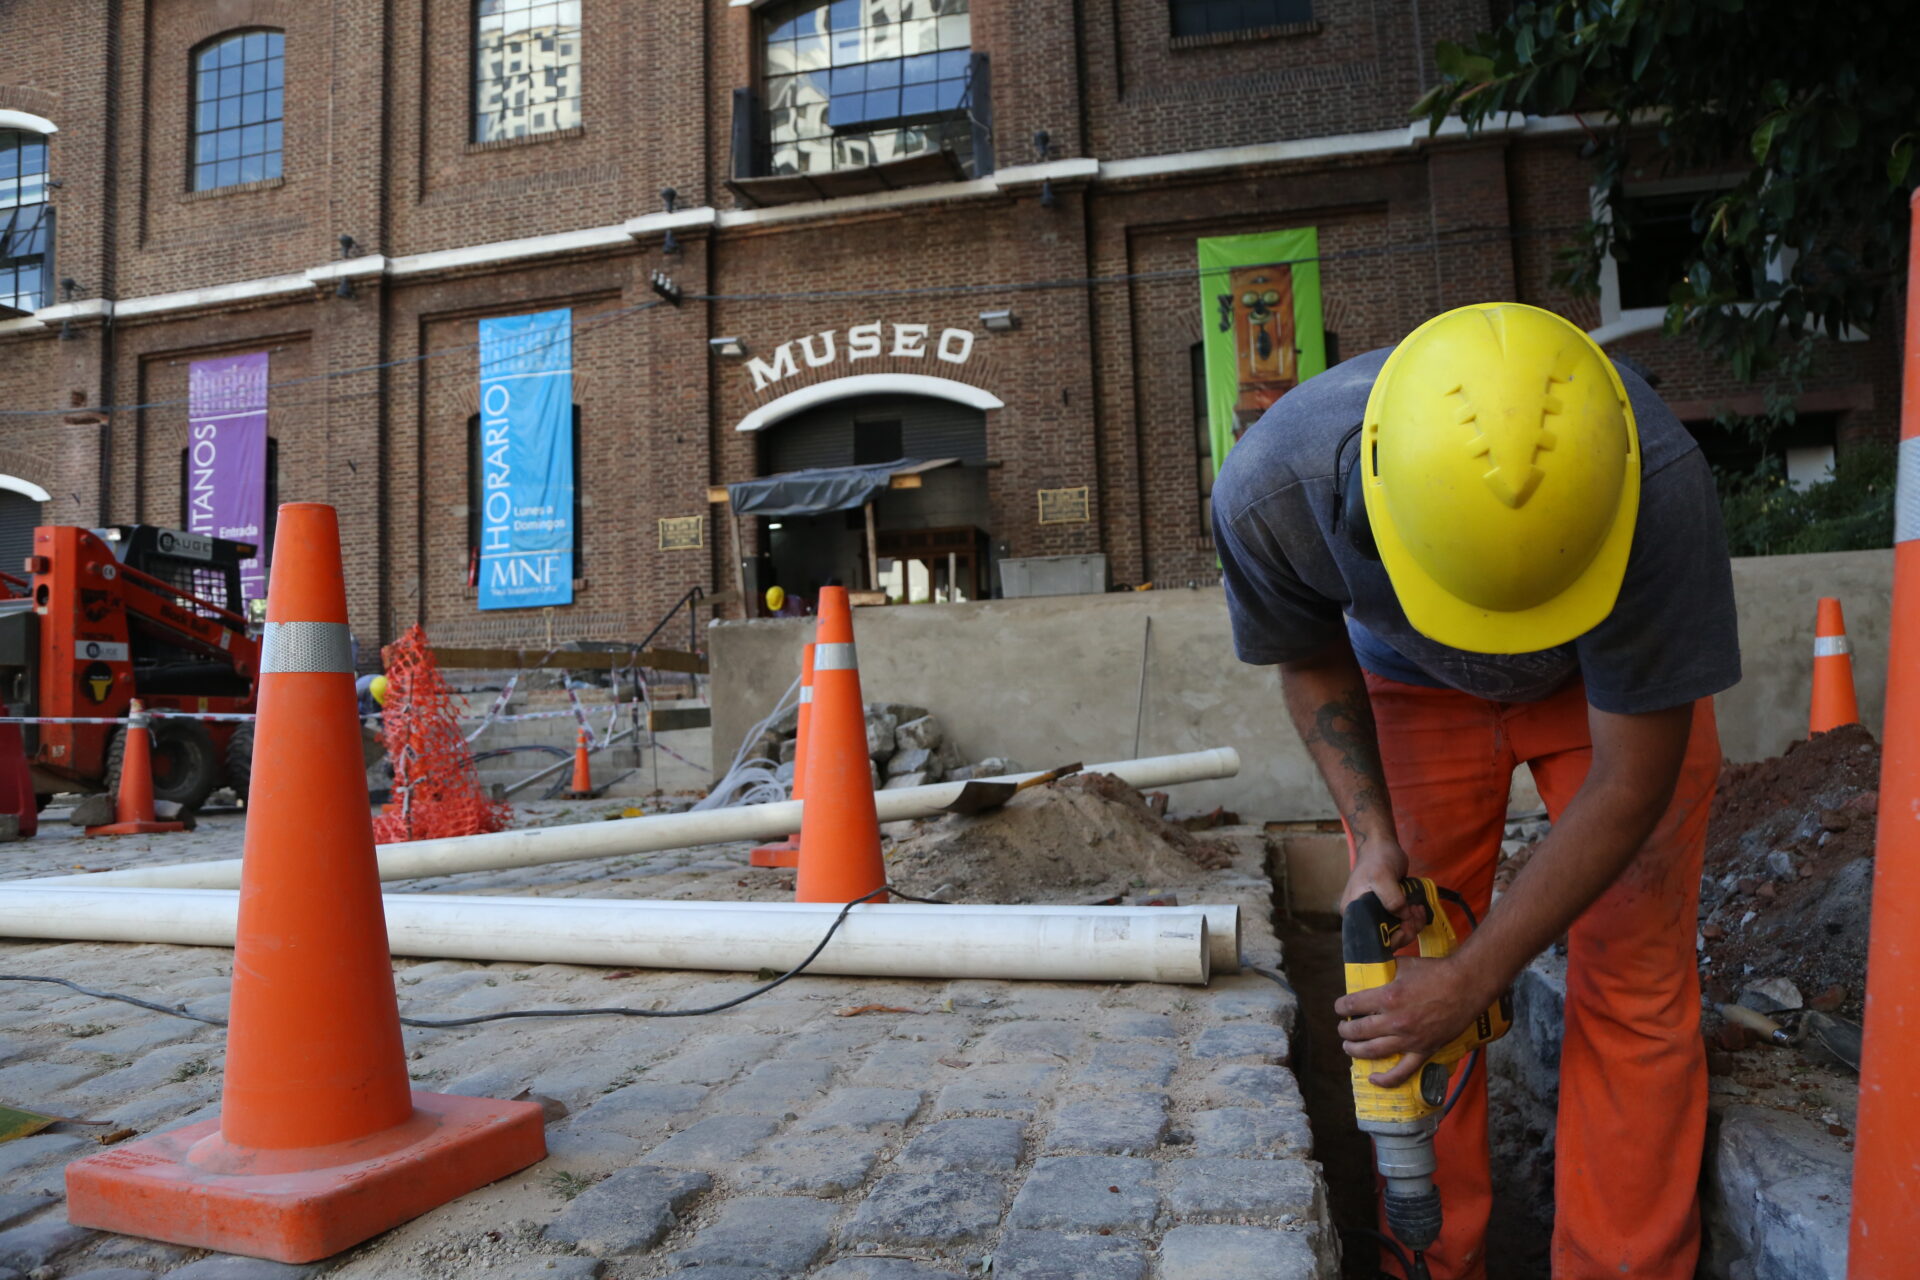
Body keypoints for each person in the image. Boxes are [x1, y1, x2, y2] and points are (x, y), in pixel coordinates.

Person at [1211, 302, 1739, 1279]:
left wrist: (1481, 975)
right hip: (1409, 684)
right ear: (1372, 496)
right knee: (1415, 962)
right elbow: (1311, 656)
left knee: (1632, 971)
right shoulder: (1273, 489)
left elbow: (1633, 777)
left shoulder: (1654, 477)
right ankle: (1429, 1256)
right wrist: (1371, 842)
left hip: (1603, 690)